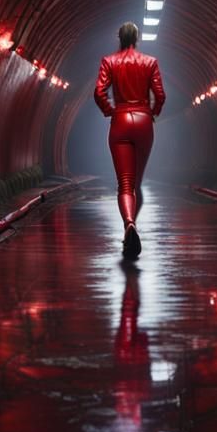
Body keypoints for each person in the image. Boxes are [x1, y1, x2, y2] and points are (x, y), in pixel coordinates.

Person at [93, 22, 165, 259]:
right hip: (143, 120)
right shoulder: (150, 62)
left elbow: (99, 92)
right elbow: (160, 95)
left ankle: (129, 225)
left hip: (121, 120)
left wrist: (109, 111)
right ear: (137, 38)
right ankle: (131, 228)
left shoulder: (108, 61)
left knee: (124, 183)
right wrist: (152, 113)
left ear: (119, 38)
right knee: (137, 183)